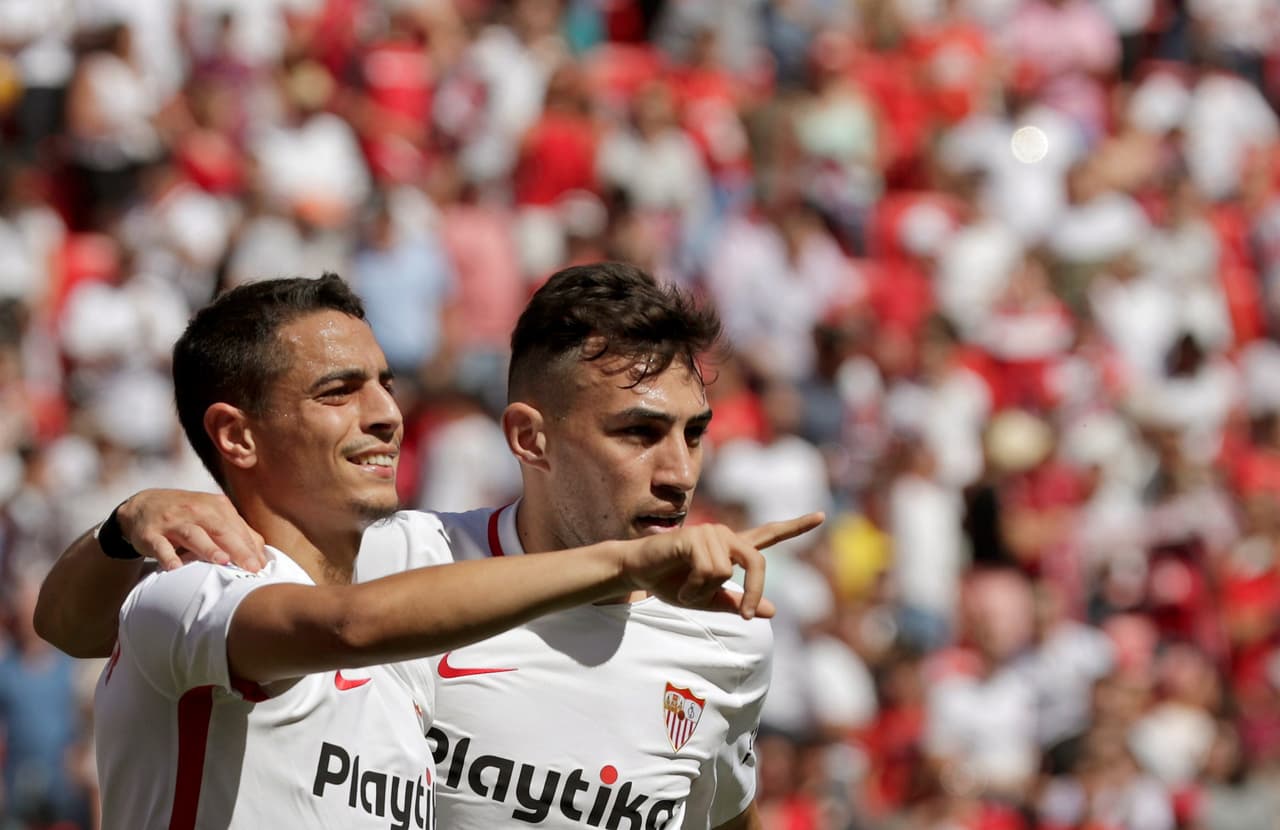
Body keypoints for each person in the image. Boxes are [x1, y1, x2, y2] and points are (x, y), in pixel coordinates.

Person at [38, 263, 825, 829]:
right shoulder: (374, 575)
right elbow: (77, 626)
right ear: (529, 438)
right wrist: (126, 521)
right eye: (640, 433)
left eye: (695, 434)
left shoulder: (727, 634)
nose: (679, 472)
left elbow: (721, 807)